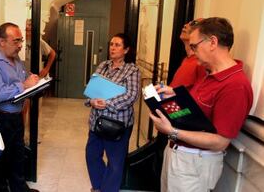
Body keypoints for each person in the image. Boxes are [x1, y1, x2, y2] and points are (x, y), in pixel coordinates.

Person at [149, 17, 253, 192]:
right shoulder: (208, 73)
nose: (192, 50)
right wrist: (173, 93)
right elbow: (198, 109)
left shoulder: (236, 86)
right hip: (178, 154)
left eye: (195, 46)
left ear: (212, 42)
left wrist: (172, 131)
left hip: (195, 163)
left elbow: (220, 141)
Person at [0, 22, 40, 192]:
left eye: (21, 40)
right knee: (1, 159)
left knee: (18, 154)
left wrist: (34, 81)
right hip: (1, 117)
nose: (20, 45)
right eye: (16, 41)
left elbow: (24, 77)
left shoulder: (16, 59)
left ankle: (19, 188)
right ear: (2, 41)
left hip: (15, 115)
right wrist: (25, 85)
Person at [85, 33, 141, 192]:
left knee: (115, 163)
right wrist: (92, 101)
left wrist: (107, 103)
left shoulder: (132, 70)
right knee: (92, 155)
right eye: (111, 44)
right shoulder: (103, 66)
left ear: (126, 50)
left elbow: (131, 96)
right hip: (97, 121)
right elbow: (91, 90)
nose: (113, 48)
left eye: (117, 45)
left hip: (118, 124)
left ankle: (107, 189)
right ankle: (98, 187)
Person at [169, 18, 205, 89]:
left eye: (194, 24)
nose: (185, 25)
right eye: (188, 23)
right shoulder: (186, 59)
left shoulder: (201, 63)